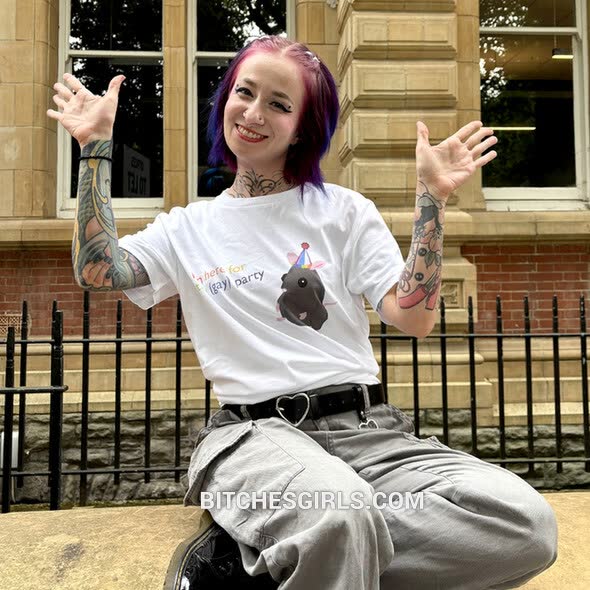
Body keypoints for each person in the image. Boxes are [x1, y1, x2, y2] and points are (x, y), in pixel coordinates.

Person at [47, 35, 557, 590]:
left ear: (303, 128)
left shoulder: (344, 212)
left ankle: (265, 556)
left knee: (524, 525)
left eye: (279, 104)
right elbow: (98, 270)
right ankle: (316, 538)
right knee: (336, 512)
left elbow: (413, 317)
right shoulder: (187, 227)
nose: (253, 113)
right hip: (255, 435)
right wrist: (94, 147)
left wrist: (431, 201)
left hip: (370, 434)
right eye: (245, 93)